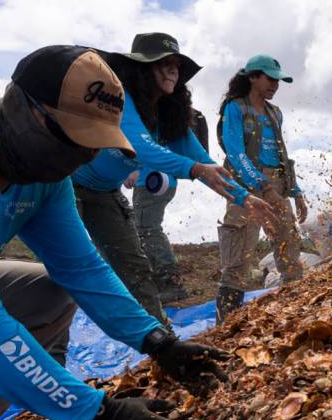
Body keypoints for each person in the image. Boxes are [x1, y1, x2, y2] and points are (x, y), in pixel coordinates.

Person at [0, 45, 231, 420]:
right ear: (25, 109)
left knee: (49, 291)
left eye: (94, 146)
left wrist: (157, 342)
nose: (84, 157)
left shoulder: (43, 176)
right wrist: (98, 412)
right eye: (75, 139)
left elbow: (80, 267)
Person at [71, 33, 274, 322]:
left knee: (135, 267)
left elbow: (203, 162)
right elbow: (140, 147)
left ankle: (163, 342)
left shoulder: (170, 115)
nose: (173, 70)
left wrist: (244, 197)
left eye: (176, 65)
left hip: (105, 194)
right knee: (71, 264)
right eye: (162, 63)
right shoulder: (120, 100)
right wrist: (193, 170)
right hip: (69, 187)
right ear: (141, 69)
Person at [215, 54, 308, 322]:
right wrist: (262, 187)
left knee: (288, 246)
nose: (275, 85)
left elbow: (281, 153)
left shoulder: (274, 113)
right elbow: (235, 152)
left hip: (277, 185)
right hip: (246, 186)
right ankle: (225, 324)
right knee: (238, 256)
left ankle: (296, 313)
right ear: (253, 77)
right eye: (270, 78)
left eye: (278, 80)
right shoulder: (236, 108)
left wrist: (295, 191)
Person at [129, 108, 210, 304]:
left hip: (151, 180)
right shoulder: (165, 115)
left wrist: (135, 170)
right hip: (162, 180)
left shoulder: (151, 115)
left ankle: (171, 283)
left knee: (147, 229)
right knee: (146, 229)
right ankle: (163, 282)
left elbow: (148, 149)